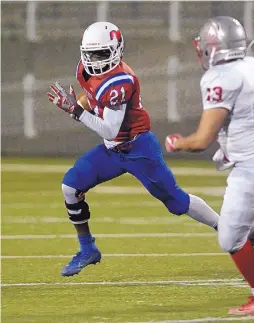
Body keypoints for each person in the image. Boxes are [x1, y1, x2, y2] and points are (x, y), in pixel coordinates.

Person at [47, 21, 219, 278]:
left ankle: (224, 226)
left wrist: (75, 110)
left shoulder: (121, 80)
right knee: (70, 186)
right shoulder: (84, 69)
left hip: (138, 147)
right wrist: (79, 103)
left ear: (116, 50)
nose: (94, 60)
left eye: (101, 53)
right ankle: (88, 249)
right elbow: (90, 97)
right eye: (90, 54)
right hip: (112, 151)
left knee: (176, 201)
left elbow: (110, 130)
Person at [165, 16, 254, 315]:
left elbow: (202, 139)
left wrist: (178, 142)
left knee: (230, 238)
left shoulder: (220, 77)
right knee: (246, 235)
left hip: (253, 166)